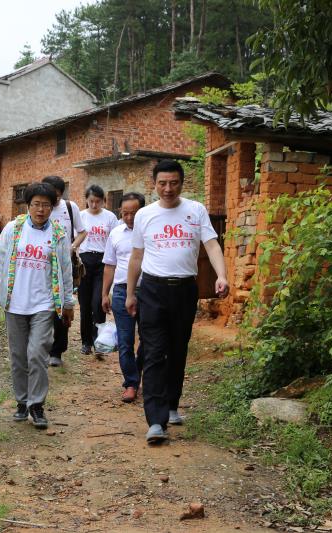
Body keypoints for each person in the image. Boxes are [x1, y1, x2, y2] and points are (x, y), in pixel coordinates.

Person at [125, 160, 229, 443]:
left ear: (182, 183)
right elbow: (136, 257)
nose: (168, 189)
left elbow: (211, 244)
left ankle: (172, 404)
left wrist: (222, 275)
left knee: (177, 350)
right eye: (162, 183)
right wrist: (131, 293)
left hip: (184, 290)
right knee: (155, 352)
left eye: (173, 183)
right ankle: (156, 421)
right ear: (154, 184)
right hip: (152, 291)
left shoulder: (195, 210)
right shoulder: (145, 215)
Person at [0, 182, 75, 429]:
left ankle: (37, 404)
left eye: (46, 205)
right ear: (28, 205)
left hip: (43, 304)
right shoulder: (14, 229)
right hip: (14, 303)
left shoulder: (57, 235)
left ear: (52, 207)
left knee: (37, 354)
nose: (41, 209)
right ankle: (21, 402)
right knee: (18, 357)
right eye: (36, 204)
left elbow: (66, 270)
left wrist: (68, 303)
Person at [101, 192, 145, 402]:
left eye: (133, 213)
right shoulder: (116, 233)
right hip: (120, 291)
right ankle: (131, 383)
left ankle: (138, 373)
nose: (129, 217)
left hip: (148, 291)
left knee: (149, 340)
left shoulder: (150, 232)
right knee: (125, 341)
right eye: (125, 213)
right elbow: (110, 264)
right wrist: (104, 293)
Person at [41, 175, 87, 367]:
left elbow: (82, 231)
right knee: (43, 306)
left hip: (64, 264)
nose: (53, 201)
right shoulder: (40, 208)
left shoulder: (70, 207)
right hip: (42, 264)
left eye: (57, 197)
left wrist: (73, 247)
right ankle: (41, 346)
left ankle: (57, 350)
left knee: (62, 304)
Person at [78, 185, 118, 356]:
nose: (94, 205)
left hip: (103, 262)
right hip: (84, 262)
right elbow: (75, 238)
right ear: (86, 200)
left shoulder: (110, 217)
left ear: (103, 201)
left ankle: (99, 342)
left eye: (98, 201)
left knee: (98, 303)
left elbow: (115, 238)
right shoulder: (80, 216)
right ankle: (86, 342)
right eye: (91, 201)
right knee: (85, 305)